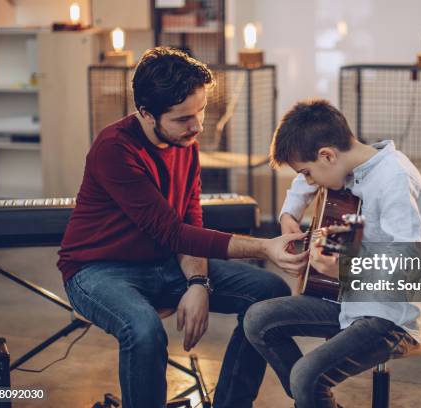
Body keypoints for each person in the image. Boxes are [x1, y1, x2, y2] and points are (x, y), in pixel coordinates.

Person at [57, 47, 307, 408]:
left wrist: (198, 282)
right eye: (184, 118)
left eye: (201, 111)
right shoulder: (114, 148)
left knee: (268, 291)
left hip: (163, 262)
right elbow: (173, 232)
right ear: (145, 113)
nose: (198, 126)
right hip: (97, 270)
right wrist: (265, 247)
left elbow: (190, 217)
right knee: (143, 330)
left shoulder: (184, 141)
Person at [243, 99, 421, 408]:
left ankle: (310, 393)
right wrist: (288, 216)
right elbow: (302, 182)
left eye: (309, 173)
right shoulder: (350, 165)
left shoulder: (395, 180)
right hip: (347, 303)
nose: (308, 181)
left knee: (306, 376)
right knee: (258, 320)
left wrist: (344, 271)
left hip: (389, 317)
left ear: (327, 155)